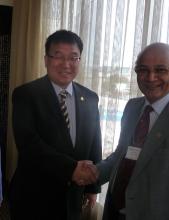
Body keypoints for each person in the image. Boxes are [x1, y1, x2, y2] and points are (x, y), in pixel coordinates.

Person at [93, 43, 169, 220]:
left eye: (160, 70)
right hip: (113, 213)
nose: (150, 78)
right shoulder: (132, 108)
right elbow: (122, 155)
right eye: (143, 70)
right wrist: (95, 172)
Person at [9, 30, 102, 220]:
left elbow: (94, 143)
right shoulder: (26, 95)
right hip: (34, 196)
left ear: (79, 60)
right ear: (46, 59)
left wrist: (93, 187)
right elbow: (28, 144)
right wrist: (71, 169)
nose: (66, 64)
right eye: (58, 56)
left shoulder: (90, 98)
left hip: (73, 197)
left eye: (73, 58)